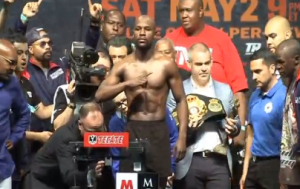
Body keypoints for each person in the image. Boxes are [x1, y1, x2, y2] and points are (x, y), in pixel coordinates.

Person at [95, 15, 188, 188]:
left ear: (155, 33)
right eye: (138, 29)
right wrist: (127, 84)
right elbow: (100, 95)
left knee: (160, 184)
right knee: (130, 183)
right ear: (133, 33)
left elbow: (181, 100)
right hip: (133, 129)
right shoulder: (124, 65)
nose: (142, 33)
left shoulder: (166, 65)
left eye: (147, 29)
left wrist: (182, 137)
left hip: (159, 130)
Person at [165, 0, 248, 146]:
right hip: (179, 133)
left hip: (217, 133)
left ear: (201, 11)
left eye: (189, 10)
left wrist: (240, 130)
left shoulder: (221, 40)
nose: (184, 15)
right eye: (181, 11)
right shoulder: (169, 42)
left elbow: (238, 87)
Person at [167, 43, 240, 189]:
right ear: (189, 64)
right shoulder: (178, 91)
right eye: (199, 64)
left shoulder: (225, 90)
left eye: (207, 63)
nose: (204, 68)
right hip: (190, 160)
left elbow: (236, 121)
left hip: (219, 161)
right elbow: (170, 129)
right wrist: (187, 129)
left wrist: (234, 127)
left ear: (212, 62)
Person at [7, 31, 55, 189]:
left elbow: (42, 111)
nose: (23, 58)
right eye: (18, 53)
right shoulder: (4, 88)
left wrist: (67, 98)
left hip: (23, 159)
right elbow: (7, 129)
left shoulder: (26, 84)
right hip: (6, 157)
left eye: (26, 53)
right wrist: (38, 136)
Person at [29, 102, 108, 189]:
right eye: (92, 131)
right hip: (44, 181)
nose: (96, 135)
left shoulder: (101, 132)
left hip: (67, 179)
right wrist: (91, 173)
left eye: (99, 129)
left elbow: (103, 160)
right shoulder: (66, 139)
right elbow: (69, 176)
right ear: (80, 125)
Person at [240, 49, 286, 189]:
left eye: (258, 71)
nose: (253, 76)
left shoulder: (284, 95)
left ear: (272, 68)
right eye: (252, 72)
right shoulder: (254, 96)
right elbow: (250, 134)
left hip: (274, 165)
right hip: (253, 166)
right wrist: (245, 171)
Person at [52, 50, 113, 129]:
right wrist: (71, 102)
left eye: (106, 70)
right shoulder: (67, 90)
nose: (102, 73)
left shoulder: (113, 94)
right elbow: (58, 127)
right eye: (98, 68)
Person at [0, 39, 30, 189]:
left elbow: (24, 114)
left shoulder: (12, 84)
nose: (13, 67)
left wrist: (15, 137)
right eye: (10, 62)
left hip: (3, 168)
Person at [276, 39, 300, 189]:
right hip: (292, 167)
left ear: (296, 59)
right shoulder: (291, 83)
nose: (278, 67)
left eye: (281, 62)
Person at [264, 15, 293, 81]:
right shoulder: (270, 68)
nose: (268, 42)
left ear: (287, 35)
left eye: (273, 36)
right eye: (266, 38)